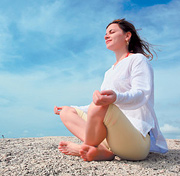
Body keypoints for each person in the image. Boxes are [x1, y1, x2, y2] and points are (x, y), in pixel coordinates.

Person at [54, 19, 168, 161]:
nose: (106, 36)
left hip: (135, 141)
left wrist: (116, 97)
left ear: (127, 36)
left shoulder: (138, 60)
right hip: (111, 138)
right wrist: (73, 108)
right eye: (105, 33)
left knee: (100, 105)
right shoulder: (109, 72)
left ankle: (86, 146)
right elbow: (98, 107)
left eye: (112, 32)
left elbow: (142, 94)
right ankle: (103, 151)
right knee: (67, 112)